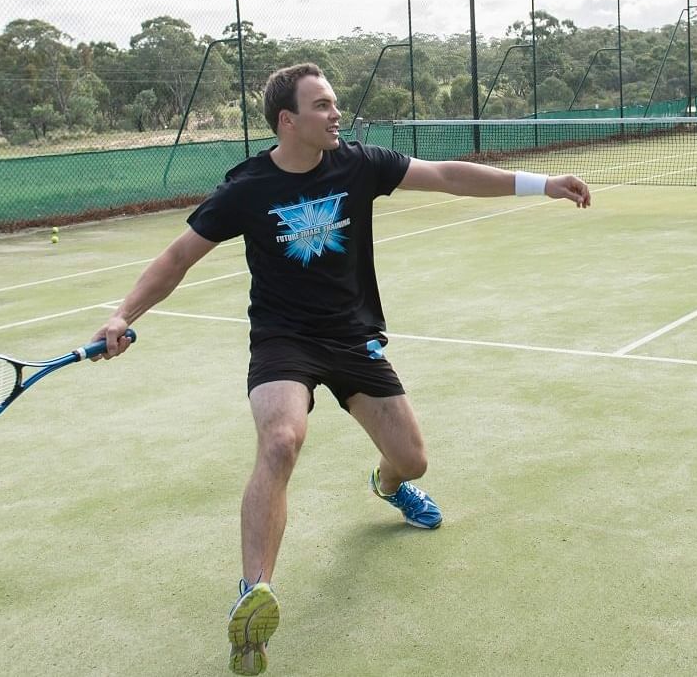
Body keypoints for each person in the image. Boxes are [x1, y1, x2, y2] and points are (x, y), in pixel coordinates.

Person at [87, 62, 592, 675]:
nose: (336, 114)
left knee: (412, 457)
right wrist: (122, 314)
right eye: (322, 106)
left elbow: (448, 176)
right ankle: (253, 597)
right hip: (284, 340)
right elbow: (178, 256)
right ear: (287, 120)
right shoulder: (246, 188)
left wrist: (541, 183)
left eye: (334, 104)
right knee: (280, 441)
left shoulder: (359, 163)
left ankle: (389, 486)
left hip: (353, 338)